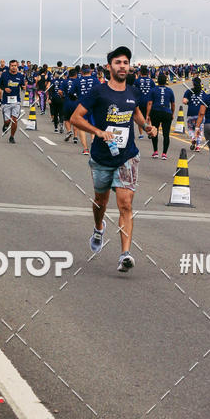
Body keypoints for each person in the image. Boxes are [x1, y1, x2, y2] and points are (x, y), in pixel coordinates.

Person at [71, 46, 154, 272]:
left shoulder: (134, 91)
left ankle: (125, 254)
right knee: (101, 203)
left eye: (125, 62)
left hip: (127, 156)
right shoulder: (98, 92)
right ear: (109, 67)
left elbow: (135, 112)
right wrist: (97, 132)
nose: (122, 66)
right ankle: (99, 227)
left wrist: (146, 126)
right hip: (101, 157)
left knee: (125, 204)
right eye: (118, 63)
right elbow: (75, 117)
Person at [71, 64, 100, 155]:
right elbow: (100, 92)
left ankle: (85, 149)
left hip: (81, 106)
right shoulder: (95, 80)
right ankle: (93, 141)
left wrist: (75, 99)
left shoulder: (77, 81)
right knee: (93, 125)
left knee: (82, 127)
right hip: (94, 106)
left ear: (81, 72)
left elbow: (71, 93)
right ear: (90, 71)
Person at [146, 73, 175, 159]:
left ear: (157, 81)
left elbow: (150, 103)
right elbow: (173, 104)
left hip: (156, 112)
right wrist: (172, 113)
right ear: (166, 81)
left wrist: (148, 115)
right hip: (166, 112)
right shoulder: (170, 90)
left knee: (155, 132)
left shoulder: (153, 90)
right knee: (166, 134)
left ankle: (155, 152)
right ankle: (164, 154)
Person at [0, 59, 24, 143]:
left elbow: (22, 85)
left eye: (15, 66)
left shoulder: (20, 76)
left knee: (14, 119)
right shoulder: (4, 75)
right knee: (7, 121)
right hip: (6, 102)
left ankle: (12, 137)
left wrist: (24, 87)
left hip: (16, 101)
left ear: (17, 66)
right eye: (12, 66)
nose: (13, 67)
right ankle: (5, 125)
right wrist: (4, 88)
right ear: (9, 66)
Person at [182, 76, 206, 152]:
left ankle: (193, 137)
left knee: (191, 129)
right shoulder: (203, 93)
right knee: (200, 130)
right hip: (200, 114)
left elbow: (184, 101)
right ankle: (198, 146)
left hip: (191, 114)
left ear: (193, 83)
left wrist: (190, 102)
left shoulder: (189, 91)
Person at [134, 65, 155, 139]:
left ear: (140, 72)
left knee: (140, 117)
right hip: (149, 102)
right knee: (148, 117)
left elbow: (134, 91)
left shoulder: (137, 81)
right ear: (148, 72)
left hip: (140, 101)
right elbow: (154, 91)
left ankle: (141, 134)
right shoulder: (151, 81)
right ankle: (150, 133)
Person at [49, 62, 65, 133]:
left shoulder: (53, 81)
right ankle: (61, 123)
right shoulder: (64, 81)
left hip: (54, 98)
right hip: (62, 98)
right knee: (61, 113)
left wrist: (49, 98)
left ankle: (56, 128)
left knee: (55, 113)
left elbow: (50, 90)